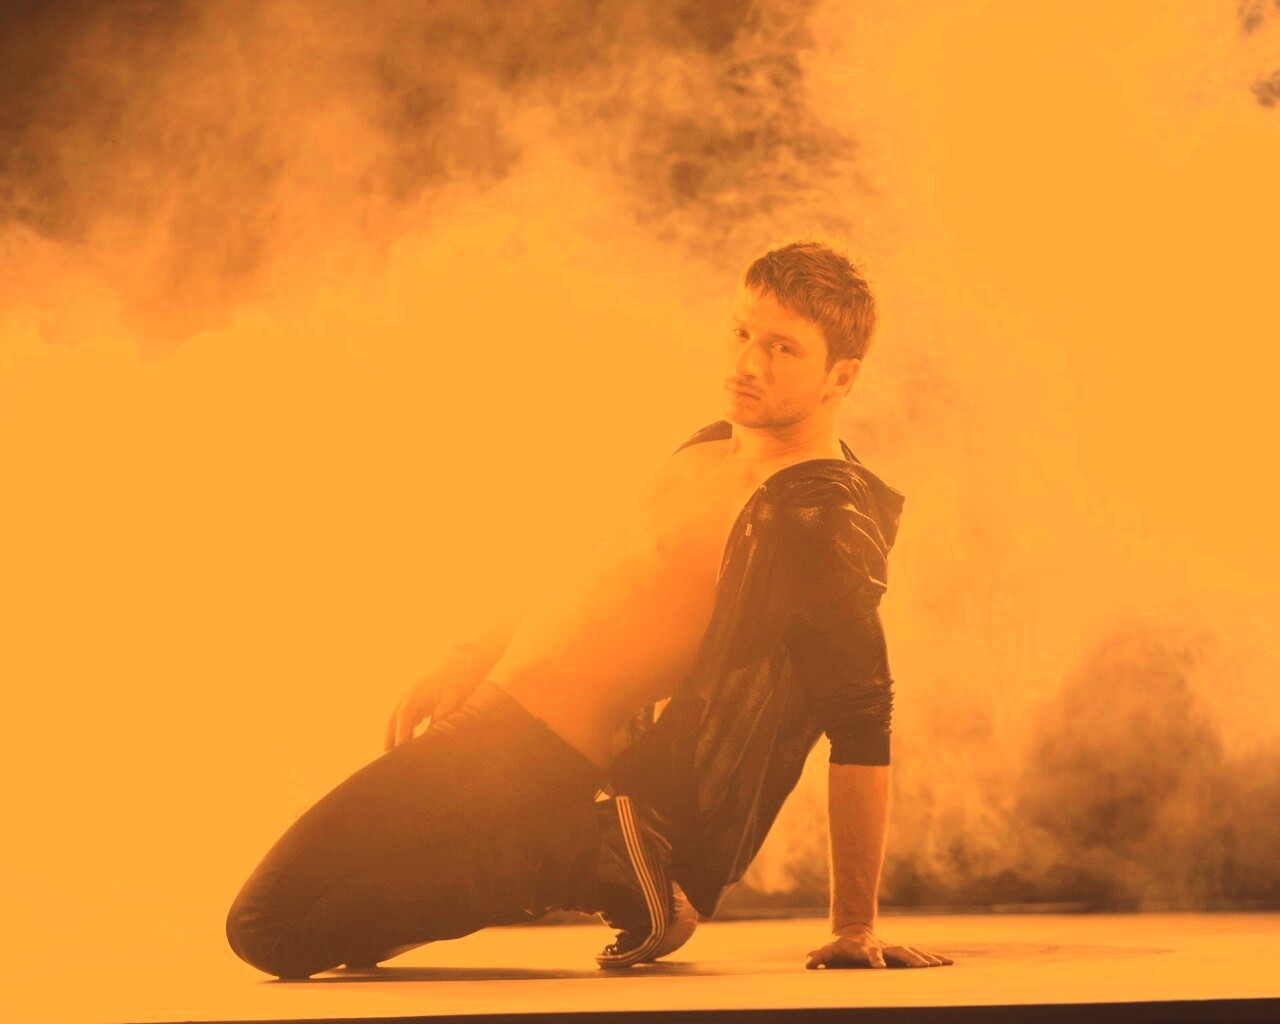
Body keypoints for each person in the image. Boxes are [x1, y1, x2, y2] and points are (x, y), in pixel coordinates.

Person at [224, 238, 953, 978]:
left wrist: (854, 925)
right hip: (489, 718)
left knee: (266, 927)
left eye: (781, 348)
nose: (746, 363)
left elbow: (862, 713)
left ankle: (591, 859)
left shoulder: (812, 514)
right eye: (741, 332)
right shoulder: (711, 447)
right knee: (314, 921)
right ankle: (604, 860)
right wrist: (472, 654)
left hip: (533, 754)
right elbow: (592, 572)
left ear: (841, 376)